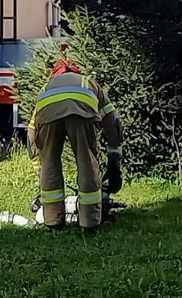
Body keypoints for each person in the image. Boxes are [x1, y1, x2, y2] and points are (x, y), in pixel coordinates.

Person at [28, 54, 123, 229]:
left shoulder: (46, 87)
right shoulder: (87, 82)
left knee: (50, 165)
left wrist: (39, 170)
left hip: (48, 114)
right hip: (82, 112)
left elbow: (32, 132)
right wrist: (114, 158)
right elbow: (112, 121)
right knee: (87, 163)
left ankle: (53, 221)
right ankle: (90, 222)